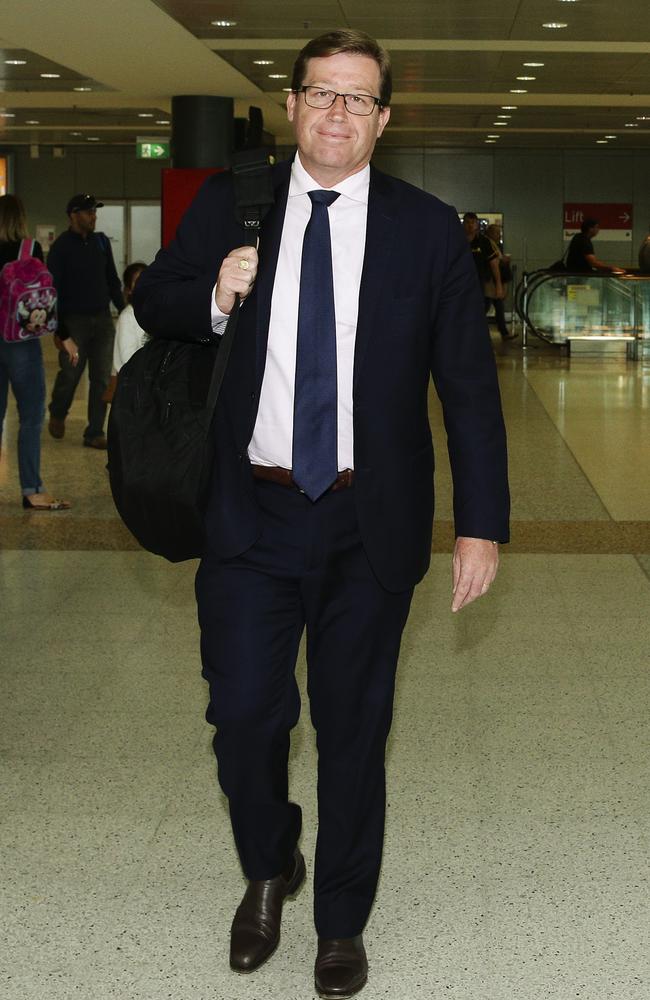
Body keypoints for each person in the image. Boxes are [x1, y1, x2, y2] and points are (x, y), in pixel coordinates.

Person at [134, 29, 509, 999]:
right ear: (292, 105)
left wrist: (481, 522)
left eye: (358, 99)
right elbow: (158, 299)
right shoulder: (232, 202)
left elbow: (466, 387)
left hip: (365, 523)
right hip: (247, 517)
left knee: (352, 729)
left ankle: (339, 919)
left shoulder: (427, 232)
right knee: (243, 714)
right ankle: (270, 860)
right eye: (321, 94)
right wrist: (214, 292)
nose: (337, 112)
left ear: (382, 120)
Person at [0, 194, 70, 510]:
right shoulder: (29, 250)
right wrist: (63, 335)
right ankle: (32, 489)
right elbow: (45, 300)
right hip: (20, 343)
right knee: (30, 416)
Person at [47, 194, 124, 449]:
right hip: (74, 322)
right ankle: (58, 412)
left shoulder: (101, 242)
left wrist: (125, 310)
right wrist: (61, 329)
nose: (94, 216)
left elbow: (112, 281)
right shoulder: (60, 248)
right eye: (88, 212)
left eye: (94, 211)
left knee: (101, 378)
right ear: (73, 215)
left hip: (102, 320)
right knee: (70, 374)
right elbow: (53, 291)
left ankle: (94, 431)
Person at [462, 212, 506, 331]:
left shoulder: (484, 242)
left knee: (479, 309)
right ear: (463, 224)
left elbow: (494, 264)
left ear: (477, 225)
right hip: (459, 282)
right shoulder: (457, 240)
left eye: (473, 223)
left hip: (479, 281)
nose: (470, 226)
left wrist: (498, 284)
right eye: (468, 223)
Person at [112, 262, 148, 372]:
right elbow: (128, 359)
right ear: (129, 290)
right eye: (138, 282)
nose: (144, 285)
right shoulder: (127, 317)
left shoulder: (155, 312)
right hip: (132, 381)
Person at [485, 222, 516, 340]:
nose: (499, 235)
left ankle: (504, 332)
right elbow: (495, 262)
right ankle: (503, 332)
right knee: (489, 306)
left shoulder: (494, 244)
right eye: (497, 233)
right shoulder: (489, 244)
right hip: (490, 281)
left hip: (492, 281)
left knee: (498, 307)